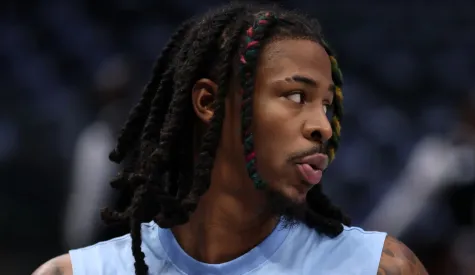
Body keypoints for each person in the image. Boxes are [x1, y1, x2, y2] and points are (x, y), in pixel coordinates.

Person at [33, 3, 428, 275]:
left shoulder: (380, 267)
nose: (323, 127)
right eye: (296, 96)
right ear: (209, 102)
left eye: (326, 105)